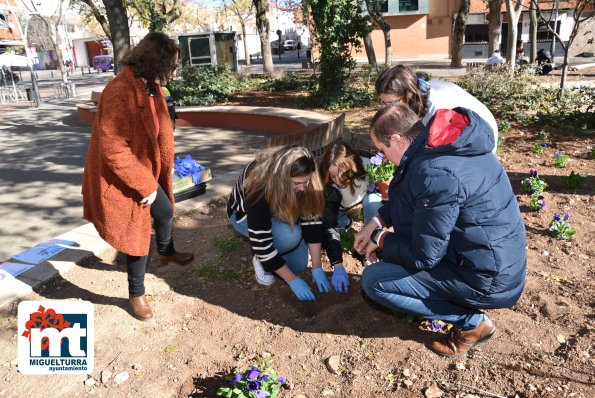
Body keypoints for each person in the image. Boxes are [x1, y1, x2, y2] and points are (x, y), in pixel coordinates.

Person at [355, 103, 527, 357]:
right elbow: (412, 201)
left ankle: (473, 323)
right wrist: (376, 223)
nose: (383, 156)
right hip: (487, 260)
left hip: (486, 279)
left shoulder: (434, 173)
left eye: (382, 150)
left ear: (395, 139)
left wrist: (380, 240)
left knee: (374, 282)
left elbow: (425, 255)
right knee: (374, 216)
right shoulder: (444, 147)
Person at [82, 32, 194, 321]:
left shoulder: (150, 86)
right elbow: (113, 149)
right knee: (137, 233)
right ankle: (136, 293)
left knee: (165, 211)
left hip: (145, 167)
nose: (174, 70)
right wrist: (146, 185)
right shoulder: (120, 90)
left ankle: (166, 251)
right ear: (155, 61)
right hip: (124, 173)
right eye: (171, 64)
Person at [227, 145, 331, 301]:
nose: (302, 188)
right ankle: (260, 260)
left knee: (298, 265)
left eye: (306, 182)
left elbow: (312, 219)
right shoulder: (258, 187)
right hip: (243, 215)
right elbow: (261, 242)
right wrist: (292, 280)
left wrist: (316, 266)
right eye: (297, 183)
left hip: (279, 207)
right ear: (282, 178)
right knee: (289, 235)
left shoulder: (305, 175)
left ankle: (273, 256)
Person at [375, 64, 498, 153]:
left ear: (409, 93)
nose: (387, 108)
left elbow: (436, 148)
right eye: (383, 102)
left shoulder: (437, 108)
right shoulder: (418, 92)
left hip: (480, 137)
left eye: (392, 102)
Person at [318, 142, 384, 287]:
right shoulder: (330, 188)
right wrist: (338, 264)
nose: (337, 181)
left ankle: (372, 246)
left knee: (374, 203)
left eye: (340, 176)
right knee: (329, 226)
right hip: (339, 208)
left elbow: (387, 183)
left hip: (366, 196)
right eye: (332, 176)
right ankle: (344, 221)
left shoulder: (368, 163)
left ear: (351, 167)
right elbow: (329, 224)